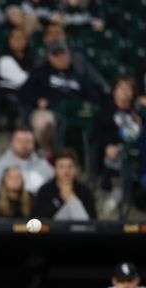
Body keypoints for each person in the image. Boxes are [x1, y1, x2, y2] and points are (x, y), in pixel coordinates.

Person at [19, 40, 101, 156]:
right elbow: (23, 93)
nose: (60, 57)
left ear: (69, 55)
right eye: (55, 55)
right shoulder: (41, 72)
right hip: (49, 112)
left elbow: (93, 97)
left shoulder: (78, 75)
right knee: (43, 122)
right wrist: (37, 101)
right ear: (49, 57)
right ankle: (48, 154)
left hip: (75, 114)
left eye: (63, 54)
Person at [92, 76, 143, 213]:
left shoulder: (138, 113)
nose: (125, 91)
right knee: (119, 155)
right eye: (121, 87)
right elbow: (95, 135)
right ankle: (118, 190)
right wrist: (107, 145)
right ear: (114, 91)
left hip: (137, 151)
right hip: (115, 153)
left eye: (129, 88)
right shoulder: (105, 112)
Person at [32, 148, 96, 220]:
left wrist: (71, 197)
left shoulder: (84, 191)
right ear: (55, 169)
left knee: (73, 201)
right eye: (61, 167)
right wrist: (60, 199)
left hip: (79, 229)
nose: (66, 172)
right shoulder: (45, 190)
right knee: (72, 201)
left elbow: (93, 220)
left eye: (70, 167)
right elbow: (38, 219)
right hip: (54, 229)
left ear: (75, 169)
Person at [0, 128, 53, 198]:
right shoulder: (1, 166)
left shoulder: (43, 164)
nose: (24, 145)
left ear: (34, 144)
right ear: (11, 143)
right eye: (19, 141)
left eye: (28, 141)